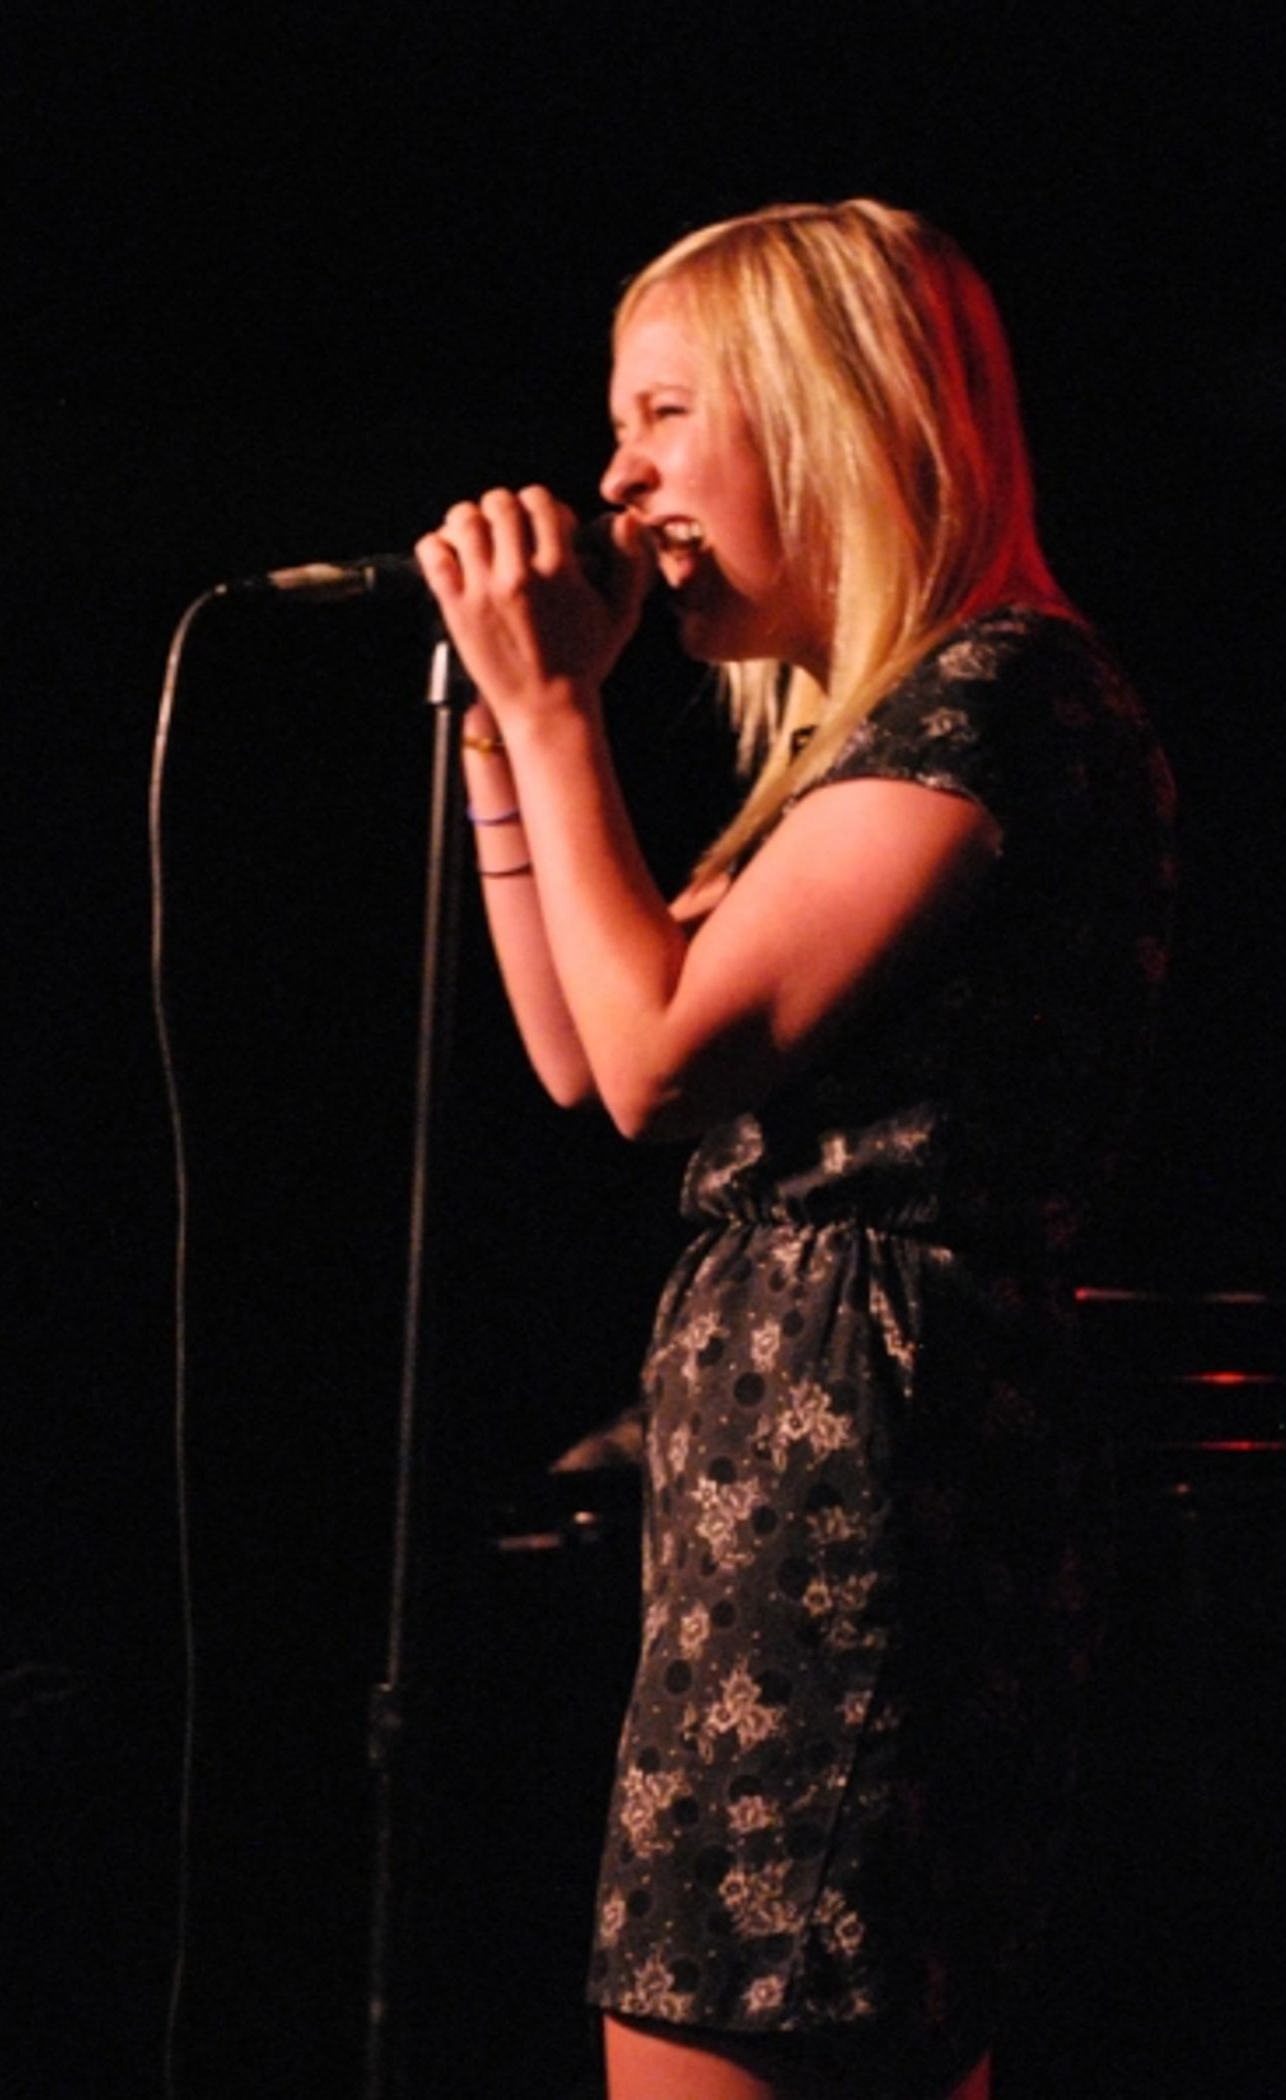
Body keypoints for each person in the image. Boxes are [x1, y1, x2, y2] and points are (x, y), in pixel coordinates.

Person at [415, 200, 1174, 2100]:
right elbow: (591, 1057)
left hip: (870, 1475)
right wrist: (514, 739)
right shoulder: (882, 739)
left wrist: (556, 702)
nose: (614, 474)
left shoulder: (1001, 699)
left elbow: (667, 1059)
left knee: (746, 2031)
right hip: (801, 1466)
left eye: (666, 410)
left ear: (831, 413)